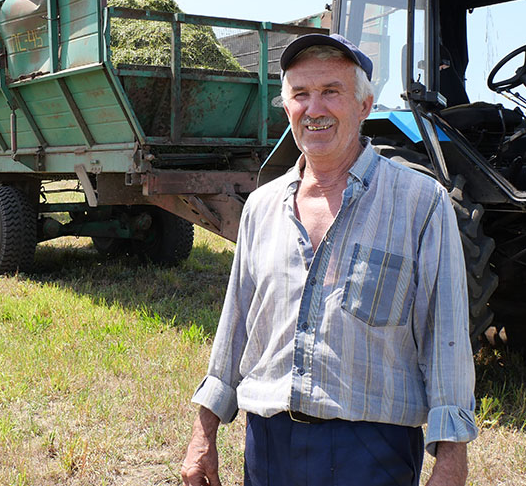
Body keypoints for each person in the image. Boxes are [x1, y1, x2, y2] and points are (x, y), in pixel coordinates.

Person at [181, 34, 478, 486]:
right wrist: (204, 433)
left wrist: (452, 460)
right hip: (269, 443)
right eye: (300, 94)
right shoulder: (261, 207)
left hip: (373, 448)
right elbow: (236, 324)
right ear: (286, 107)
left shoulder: (421, 203)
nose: (314, 109)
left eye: (331, 92)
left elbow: (447, 336)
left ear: (364, 105)